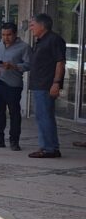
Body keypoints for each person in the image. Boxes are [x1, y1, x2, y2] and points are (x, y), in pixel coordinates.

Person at [0, 22, 30, 151]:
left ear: (15, 34)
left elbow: (29, 65)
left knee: (14, 113)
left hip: (13, 84)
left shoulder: (24, 47)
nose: (6, 38)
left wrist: (14, 66)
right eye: (3, 35)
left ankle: (14, 140)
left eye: (9, 35)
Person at [27, 13, 66, 158]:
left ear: (42, 25)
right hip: (39, 84)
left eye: (32, 25)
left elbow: (60, 62)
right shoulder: (40, 41)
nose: (31, 28)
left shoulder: (54, 40)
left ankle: (49, 148)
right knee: (42, 116)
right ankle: (49, 146)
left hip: (46, 85)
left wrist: (56, 83)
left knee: (45, 116)